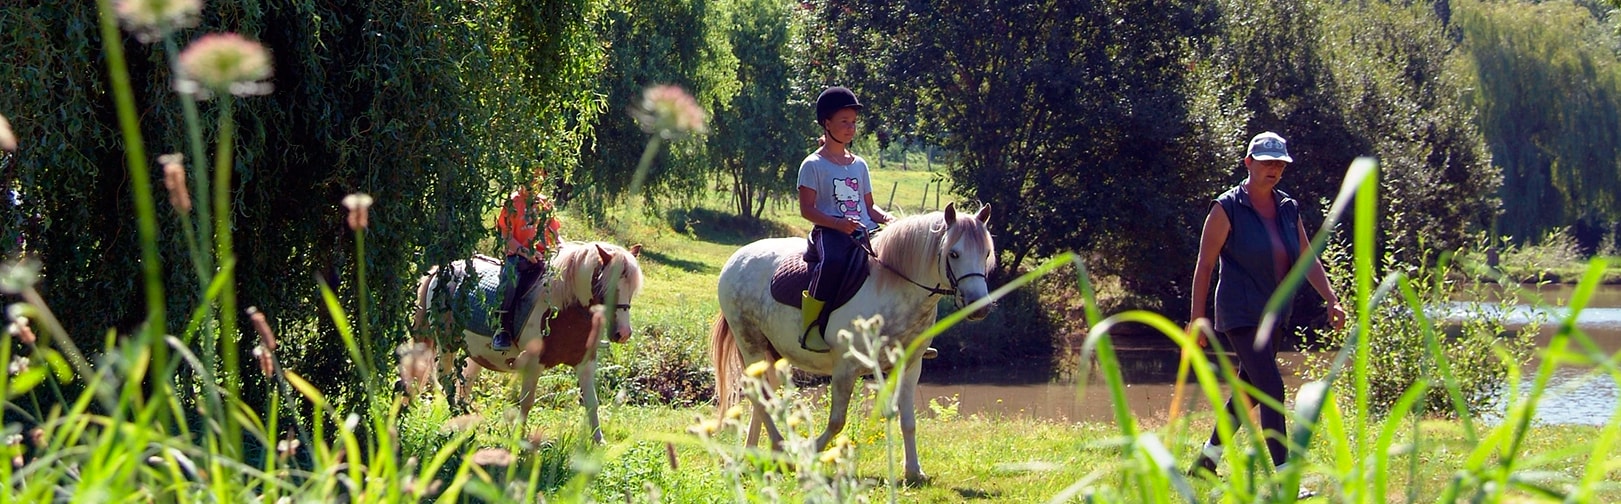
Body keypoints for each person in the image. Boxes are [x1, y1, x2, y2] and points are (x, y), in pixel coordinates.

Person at [1187, 131, 1347, 481]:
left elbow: (1307, 258)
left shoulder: (1288, 208)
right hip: (1240, 314)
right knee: (1272, 389)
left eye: (1279, 163)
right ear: (1249, 163)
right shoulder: (1226, 208)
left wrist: (1331, 299)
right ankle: (1285, 477)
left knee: (1251, 389)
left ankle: (1207, 461)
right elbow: (1205, 265)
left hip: (1275, 316)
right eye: (1267, 162)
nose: (1274, 169)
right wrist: (1197, 318)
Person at [796, 86, 894, 350]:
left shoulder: (860, 164)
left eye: (853, 123)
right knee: (834, 263)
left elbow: (870, 208)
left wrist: (889, 220)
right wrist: (839, 223)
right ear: (826, 123)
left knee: (895, 262)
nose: (851, 128)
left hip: (865, 230)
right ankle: (810, 326)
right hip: (830, 232)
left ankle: (901, 332)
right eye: (844, 122)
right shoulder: (813, 165)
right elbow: (807, 209)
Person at [492, 184, 562, 351]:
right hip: (517, 256)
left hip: (543, 257)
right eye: (530, 177)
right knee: (510, 281)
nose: (533, 183)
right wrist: (525, 252)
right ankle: (502, 329)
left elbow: (553, 231)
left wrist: (561, 244)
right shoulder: (512, 203)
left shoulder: (545, 203)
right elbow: (505, 235)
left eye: (538, 177)